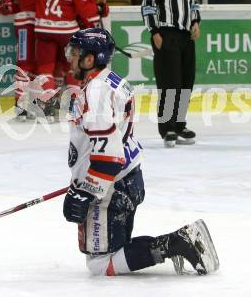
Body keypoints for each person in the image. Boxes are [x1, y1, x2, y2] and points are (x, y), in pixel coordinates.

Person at [62, 27, 219, 276]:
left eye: (75, 52)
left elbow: (107, 157)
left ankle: (176, 243)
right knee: (118, 249)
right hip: (128, 178)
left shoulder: (96, 92)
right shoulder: (109, 82)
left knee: (100, 264)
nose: (69, 56)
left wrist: (85, 192)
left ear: (90, 58)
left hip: (111, 186)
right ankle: (176, 242)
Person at [18, 0, 101, 117]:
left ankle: (47, 103)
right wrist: (93, 27)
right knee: (73, 67)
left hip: (44, 30)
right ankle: (72, 103)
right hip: (67, 32)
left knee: (46, 69)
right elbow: (84, 10)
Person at [141, 0, 201, 147]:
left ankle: (179, 124)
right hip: (167, 36)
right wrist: (154, 31)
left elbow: (193, 3)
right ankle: (167, 128)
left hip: (186, 37)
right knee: (170, 84)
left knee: (186, 83)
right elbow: (147, 6)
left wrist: (195, 22)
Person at [0, 0, 36, 121]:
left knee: (39, 66)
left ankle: (32, 102)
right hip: (25, 24)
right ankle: (21, 103)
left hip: (42, 26)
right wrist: (7, 3)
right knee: (25, 65)